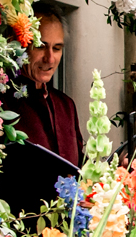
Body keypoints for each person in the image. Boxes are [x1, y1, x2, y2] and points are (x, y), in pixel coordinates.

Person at [5, 10, 83, 167]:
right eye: (40, 46)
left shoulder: (66, 105)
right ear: (18, 44)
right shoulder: (0, 102)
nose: (50, 59)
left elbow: (80, 166)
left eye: (57, 48)